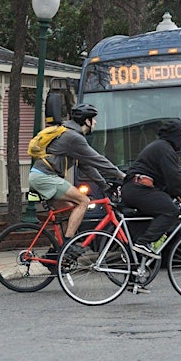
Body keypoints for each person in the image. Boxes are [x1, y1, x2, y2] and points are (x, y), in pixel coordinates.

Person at [30, 103, 126, 256]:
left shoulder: (70, 136)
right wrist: (122, 176)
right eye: (93, 119)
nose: (95, 123)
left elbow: (86, 166)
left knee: (68, 209)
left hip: (41, 177)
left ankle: (54, 252)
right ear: (86, 121)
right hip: (45, 177)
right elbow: (98, 159)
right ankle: (68, 243)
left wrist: (104, 185)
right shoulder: (73, 137)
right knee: (84, 201)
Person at [121, 119, 181, 263]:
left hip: (134, 188)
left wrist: (176, 193)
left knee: (146, 223)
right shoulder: (165, 149)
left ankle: (135, 274)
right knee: (170, 211)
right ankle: (143, 243)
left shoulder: (159, 146)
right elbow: (173, 176)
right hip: (139, 188)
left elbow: (163, 180)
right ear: (176, 136)